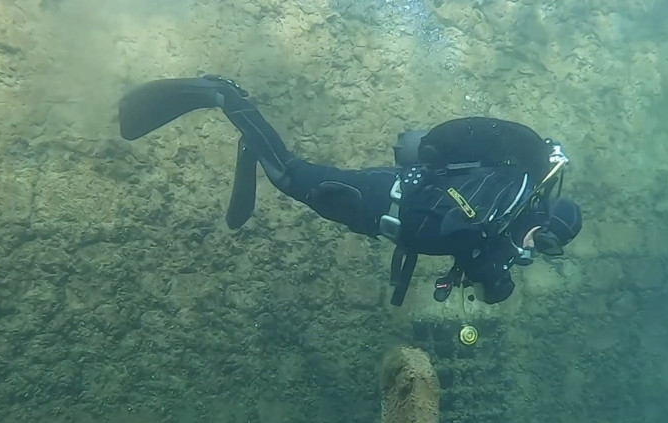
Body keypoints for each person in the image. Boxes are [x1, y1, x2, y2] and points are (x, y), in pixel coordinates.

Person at [118, 74, 582, 307]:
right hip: (379, 200)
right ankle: (224, 95)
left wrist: (487, 262)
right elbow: (460, 223)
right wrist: (493, 256)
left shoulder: (508, 211)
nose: (537, 250)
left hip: (378, 208)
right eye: (545, 240)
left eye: (549, 251)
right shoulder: (511, 194)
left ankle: (252, 146)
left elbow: (462, 246)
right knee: (287, 175)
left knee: (287, 177)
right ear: (542, 219)